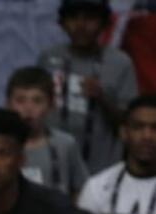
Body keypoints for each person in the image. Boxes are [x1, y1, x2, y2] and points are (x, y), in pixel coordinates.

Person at [38, 0, 139, 175]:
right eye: (73, 18)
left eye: (90, 18)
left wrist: (102, 97)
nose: (80, 25)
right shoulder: (48, 58)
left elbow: (131, 122)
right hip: (53, 168)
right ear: (61, 23)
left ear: (104, 24)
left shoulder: (120, 63)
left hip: (100, 170)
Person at [7, 67, 90, 198]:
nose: (28, 108)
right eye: (20, 100)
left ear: (51, 105)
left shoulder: (65, 145)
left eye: (37, 101)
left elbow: (81, 192)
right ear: (8, 104)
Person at [78, 94, 156, 214]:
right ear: (124, 133)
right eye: (138, 127)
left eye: (155, 128)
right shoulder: (97, 188)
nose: (147, 136)